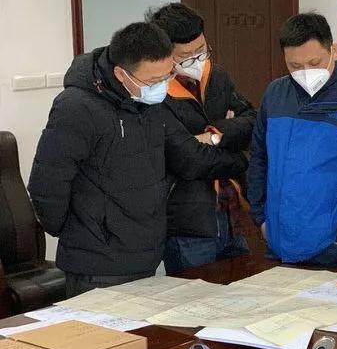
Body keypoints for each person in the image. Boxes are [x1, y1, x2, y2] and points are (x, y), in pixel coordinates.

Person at [28, 22, 248, 297]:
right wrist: (82, 231)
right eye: (153, 81)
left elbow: (185, 153)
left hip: (146, 256)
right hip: (96, 265)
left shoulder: (151, 103)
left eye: (167, 76)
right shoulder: (77, 106)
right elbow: (47, 183)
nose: (162, 87)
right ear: (121, 74)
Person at [248, 13, 337, 269]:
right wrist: (260, 217)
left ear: (334, 50)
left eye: (314, 63)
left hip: (330, 250)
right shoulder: (275, 94)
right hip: (276, 244)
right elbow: (259, 158)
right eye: (295, 66)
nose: (305, 73)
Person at [148, 3, 256, 275]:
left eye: (201, 50)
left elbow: (253, 121)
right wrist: (237, 154)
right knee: (196, 295)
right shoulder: (154, 94)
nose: (197, 60)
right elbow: (189, 160)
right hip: (189, 223)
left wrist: (215, 135)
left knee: (241, 290)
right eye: (186, 56)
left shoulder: (217, 77)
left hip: (232, 212)